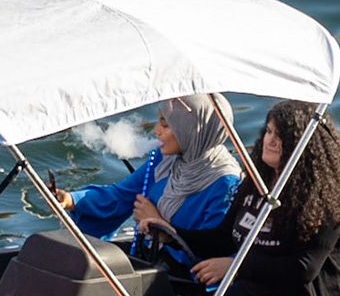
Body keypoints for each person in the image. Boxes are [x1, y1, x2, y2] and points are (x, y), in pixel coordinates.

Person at [141, 100, 340, 296]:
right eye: (270, 132)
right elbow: (224, 238)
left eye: (282, 136)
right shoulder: (256, 185)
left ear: (304, 146)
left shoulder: (323, 199)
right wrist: (171, 233)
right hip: (260, 291)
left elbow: (303, 269)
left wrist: (235, 267)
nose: (270, 141)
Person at [58, 97, 241, 266]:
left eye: (165, 124)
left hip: (182, 272)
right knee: (74, 259)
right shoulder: (164, 161)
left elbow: (214, 247)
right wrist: (71, 200)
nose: (155, 131)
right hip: (150, 254)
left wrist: (160, 226)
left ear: (192, 129)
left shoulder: (225, 183)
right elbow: (121, 195)